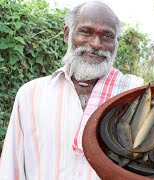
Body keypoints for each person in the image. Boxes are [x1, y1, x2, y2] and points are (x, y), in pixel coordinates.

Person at [0, 1, 144, 179]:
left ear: (116, 43)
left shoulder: (134, 93)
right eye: (86, 32)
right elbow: (11, 168)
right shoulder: (31, 94)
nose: (96, 44)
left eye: (107, 36)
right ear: (67, 34)